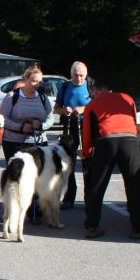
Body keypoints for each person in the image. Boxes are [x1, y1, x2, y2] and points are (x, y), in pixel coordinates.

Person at [80, 77, 140, 239]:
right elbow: (134, 122)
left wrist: (87, 151)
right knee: (134, 185)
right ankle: (138, 228)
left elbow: (87, 132)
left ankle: (92, 227)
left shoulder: (92, 105)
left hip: (106, 142)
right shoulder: (128, 98)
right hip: (130, 142)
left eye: (93, 92)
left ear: (96, 91)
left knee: (97, 186)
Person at [54, 62, 91, 209]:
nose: (79, 78)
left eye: (82, 75)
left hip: (87, 127)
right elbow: (56, 109)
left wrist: (82, 109)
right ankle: (69, 198)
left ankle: (90, 198)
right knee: (68, 163)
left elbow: (98, 105)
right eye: (76, 75)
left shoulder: (91, 86)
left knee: (88, 162)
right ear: (71, 75)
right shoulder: (64, 87)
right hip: (69, 127)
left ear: (86, 74)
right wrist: (65, 110)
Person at [0, 65, 55, 162]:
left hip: (39, 143)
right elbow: (2, 119)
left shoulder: (43, 97)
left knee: (39, 176)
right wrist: (20, 127)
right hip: (14, 143)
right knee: (18, 176)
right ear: (25, 79)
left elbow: (51, 119)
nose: (36, 85)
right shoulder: (12, 96)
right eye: (33, 81)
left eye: (39, 82)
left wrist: (41, 125)